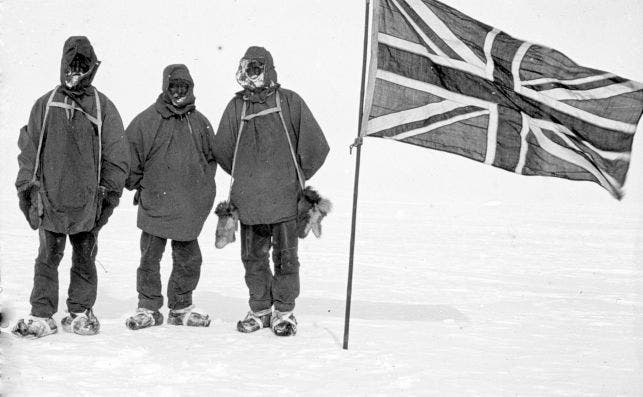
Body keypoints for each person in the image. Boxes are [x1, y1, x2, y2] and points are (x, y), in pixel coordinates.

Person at [12, 36, 129, 338]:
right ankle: (42, 314)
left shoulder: (104, 107)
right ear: (63, 65)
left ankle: (79, 311)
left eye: (82, 65)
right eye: (71, 64)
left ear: (91, 68)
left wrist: (108, 195)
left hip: (88, 203)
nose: (76, 71)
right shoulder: (45, 104)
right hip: (50, 199)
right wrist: (27, 187)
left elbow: (117, 156)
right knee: (47, 258)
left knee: (84, 258)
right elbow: (29, 148)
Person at [213, 46, 329, 336]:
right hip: (249, 202)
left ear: (269, 69)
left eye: (257, 69)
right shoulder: (236, 107)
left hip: (286, 202)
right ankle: (261, 310)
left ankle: (284, 312)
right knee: (253, 258)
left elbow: (315, 146)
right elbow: (223, 150)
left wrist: (292, 177)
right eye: (247, 69)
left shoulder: (289, 101)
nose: (251, 75)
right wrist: (249, 177)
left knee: (286, 258)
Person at [124, 64, 216, 330]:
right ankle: (148, 307)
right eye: (173, 86)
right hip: (156, 203)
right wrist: (141, 186)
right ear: (165, 87)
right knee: (150, 259)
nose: (178, 91)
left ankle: (181, 306)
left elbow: (211, 159)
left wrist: (201, 187)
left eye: (183, 87)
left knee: (189, 259)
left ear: (190, 88)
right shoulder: (147, 120)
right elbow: (130, 157)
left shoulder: (199, 122)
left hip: (188, 206)